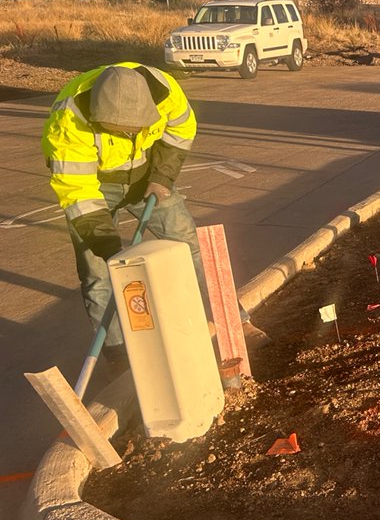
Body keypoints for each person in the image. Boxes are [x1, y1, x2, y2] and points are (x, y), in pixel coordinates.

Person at [42, 63, 268, 372]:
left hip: (147, 174)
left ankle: (235, 322)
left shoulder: (164, 91)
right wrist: (110, 249)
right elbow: (78, 192)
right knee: (97, 273)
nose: (130, 135)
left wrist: (162, 176)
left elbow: (181, 130)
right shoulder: (69, 122)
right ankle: (119, 356)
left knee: (189, 245)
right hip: (95, 183)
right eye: (120, 130)